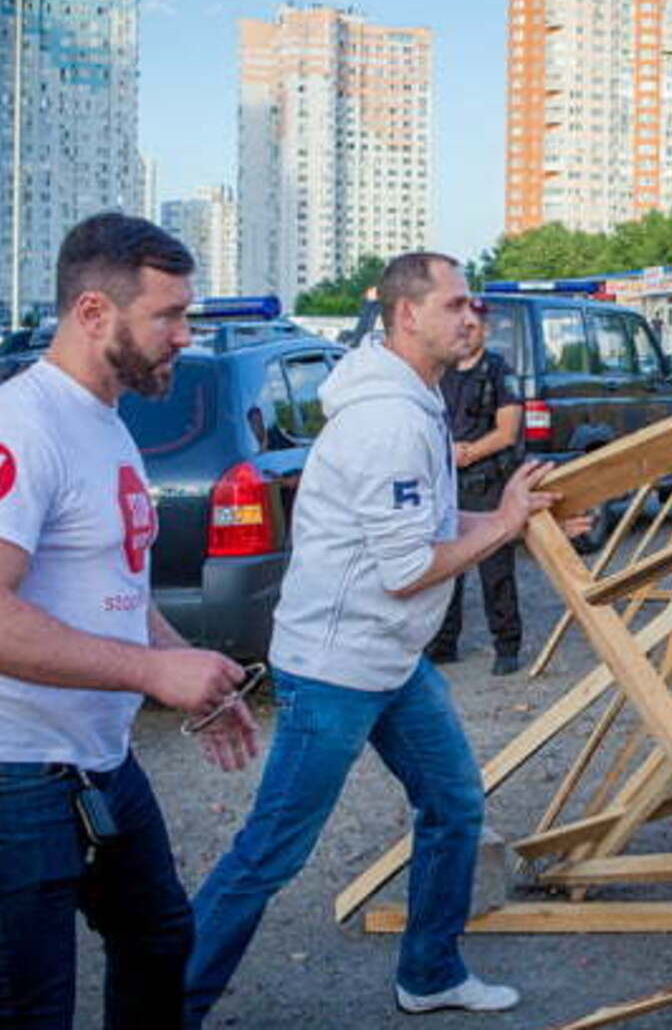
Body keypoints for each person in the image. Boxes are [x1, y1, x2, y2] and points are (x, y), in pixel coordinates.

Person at [185, 253, 589, 1023]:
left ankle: (430, 972)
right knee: (271, 853)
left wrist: (523, 522)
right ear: (407, 315)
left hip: (388, 660)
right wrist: (504, 522)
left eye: (476, 307)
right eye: (457, 305)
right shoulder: (388, 421)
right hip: (336, 670)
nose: (474, 319)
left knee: (454, 804)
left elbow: (431, 531)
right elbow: (409, 569)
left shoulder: (414, 403)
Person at [0, 212, 259, 1028]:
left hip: (92, 762)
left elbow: (116, 590)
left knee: (159, 940)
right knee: (28, 1012)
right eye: (168, 317)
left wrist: (189, 672)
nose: (184, 335)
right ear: (94, 313)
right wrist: (151, 674)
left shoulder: (104, 424)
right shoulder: (16, 427)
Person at [422, 307, 527, 675]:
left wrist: (466, 454)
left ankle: (507, 646)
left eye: (473, 325)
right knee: (447, 564)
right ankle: (443, 643)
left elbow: (507, 431)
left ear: (485, 330)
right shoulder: (443, 372)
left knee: (494, 567)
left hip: (486, 479)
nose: (466, 331)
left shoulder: (499, 372)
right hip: (448, 480)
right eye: (461, 325)